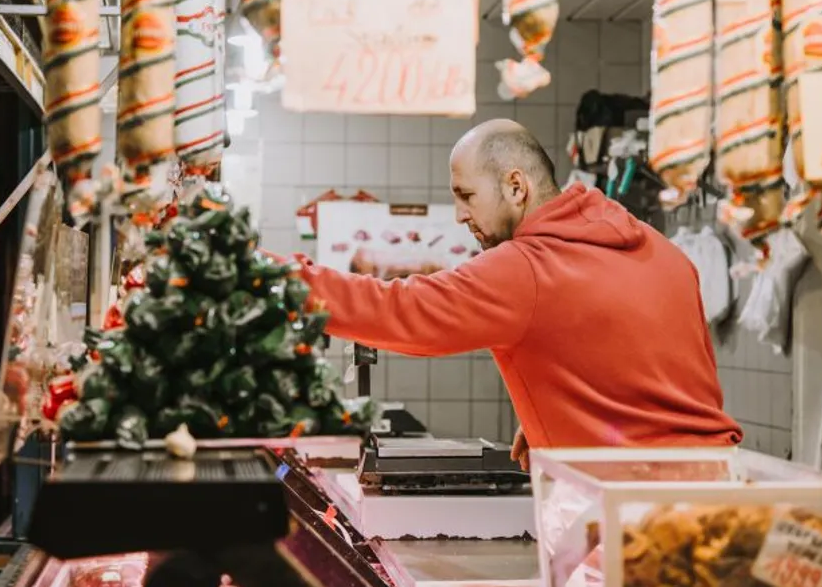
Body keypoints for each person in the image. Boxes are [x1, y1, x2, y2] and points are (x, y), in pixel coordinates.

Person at [293, 119, 741, 468]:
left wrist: (278, 278)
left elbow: (399, 310)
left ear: (515, 186)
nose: (459, 215)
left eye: (467, 195)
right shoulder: (663, 251)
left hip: (633, 505)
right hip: (720, 485)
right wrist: (557, 414)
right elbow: (668, 376)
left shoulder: (526, 267)